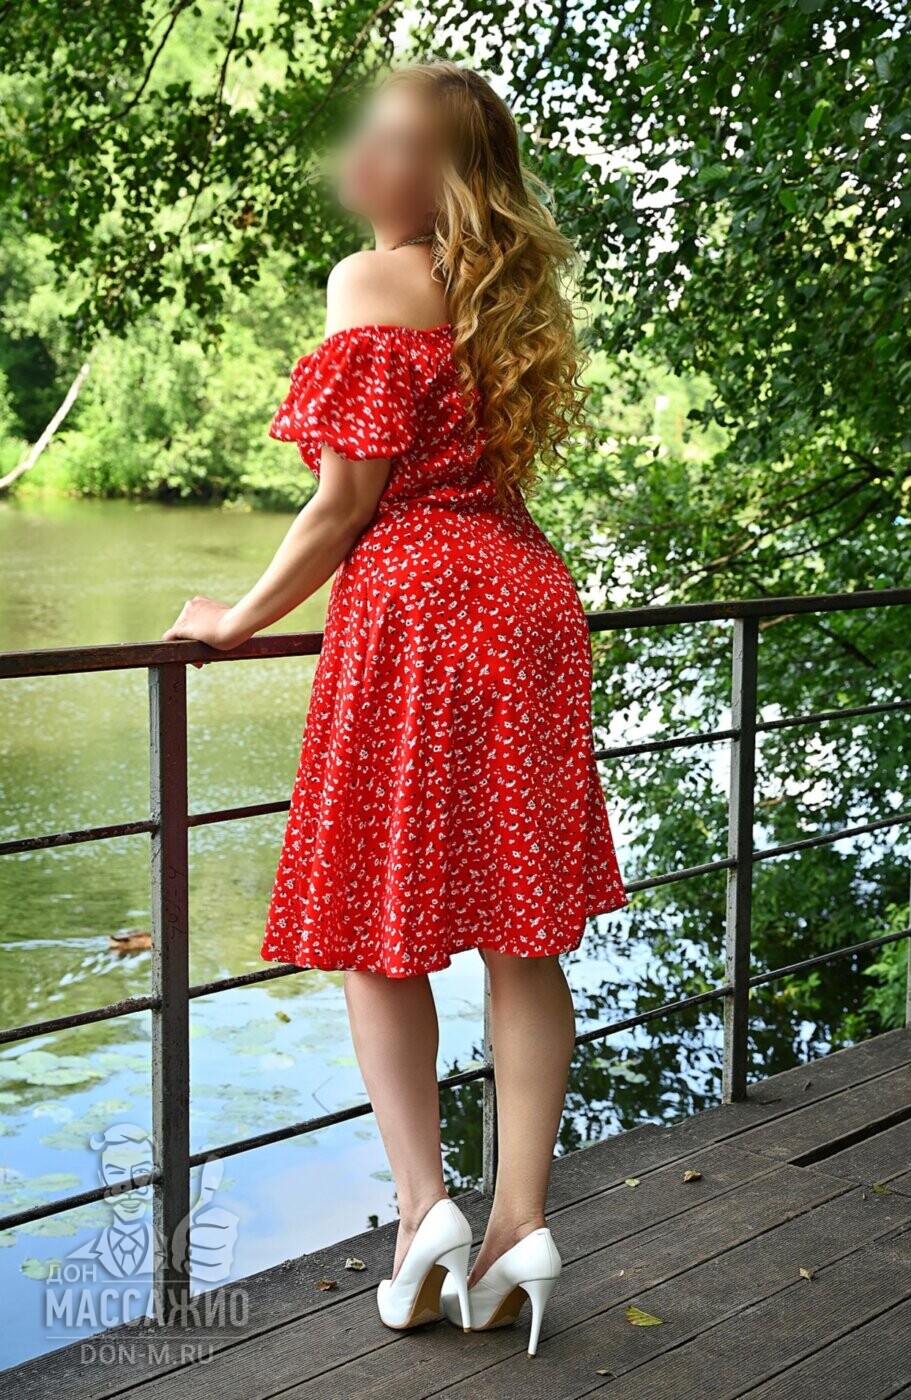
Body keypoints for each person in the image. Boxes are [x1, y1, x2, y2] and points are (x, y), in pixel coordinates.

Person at [163, 60, 627, 1358]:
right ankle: (518, 1226)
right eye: (364, 134)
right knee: (522, 932)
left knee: (382, 921)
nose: (361, 159)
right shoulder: (504, 292)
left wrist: (237, 619)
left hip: (417, 610)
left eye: (395, 141)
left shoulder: (371, 279)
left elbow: (344, 504)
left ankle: (426, 1211)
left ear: (444, 174)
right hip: (525, 600)